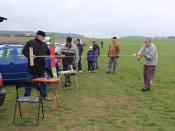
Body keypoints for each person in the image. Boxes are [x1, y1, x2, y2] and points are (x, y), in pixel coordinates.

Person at [22, 30, 51, 100]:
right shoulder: (30, 42)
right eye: (43, 37)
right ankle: (26, 96)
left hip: (41, 67)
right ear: (38, 36)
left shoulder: (44, 45)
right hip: (32, 67)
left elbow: (49, 53)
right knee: (29, 82)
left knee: (43, 82)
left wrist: (58, 55)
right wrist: (30, 55)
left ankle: (44, 95)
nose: (44, 38)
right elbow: (24, 51)